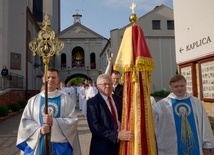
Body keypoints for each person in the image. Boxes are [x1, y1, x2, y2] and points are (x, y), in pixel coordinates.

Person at [16, 67, 81, 155]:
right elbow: (25, 122)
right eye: (48, 77)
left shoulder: (66, 100)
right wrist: (39, 130)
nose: (50, 80)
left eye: (54, 77)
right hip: (39, 144)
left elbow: (73, 121)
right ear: (43, 79)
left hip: (59, 146)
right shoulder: (33, 101)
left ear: (58, 80)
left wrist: (53, 122)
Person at [152, 74, 214, 155]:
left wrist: (207, 145)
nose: (179, 88)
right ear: (170, 87)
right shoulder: (161, 105)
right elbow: (153, 125)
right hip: (170, 148)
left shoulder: (196, 102)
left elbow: (204, 124)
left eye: (182, 86)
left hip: (195, 146)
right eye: (176, 86)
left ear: (185, 85)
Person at [87, 74, 133, 155]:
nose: (108, 86)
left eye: (110, 84)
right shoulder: (92, 103)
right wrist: (116, 135)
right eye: (105, 84)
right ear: (98, 86)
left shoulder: (119, 99)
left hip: (121, 144)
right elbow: (95, 127)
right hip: (103, 147)